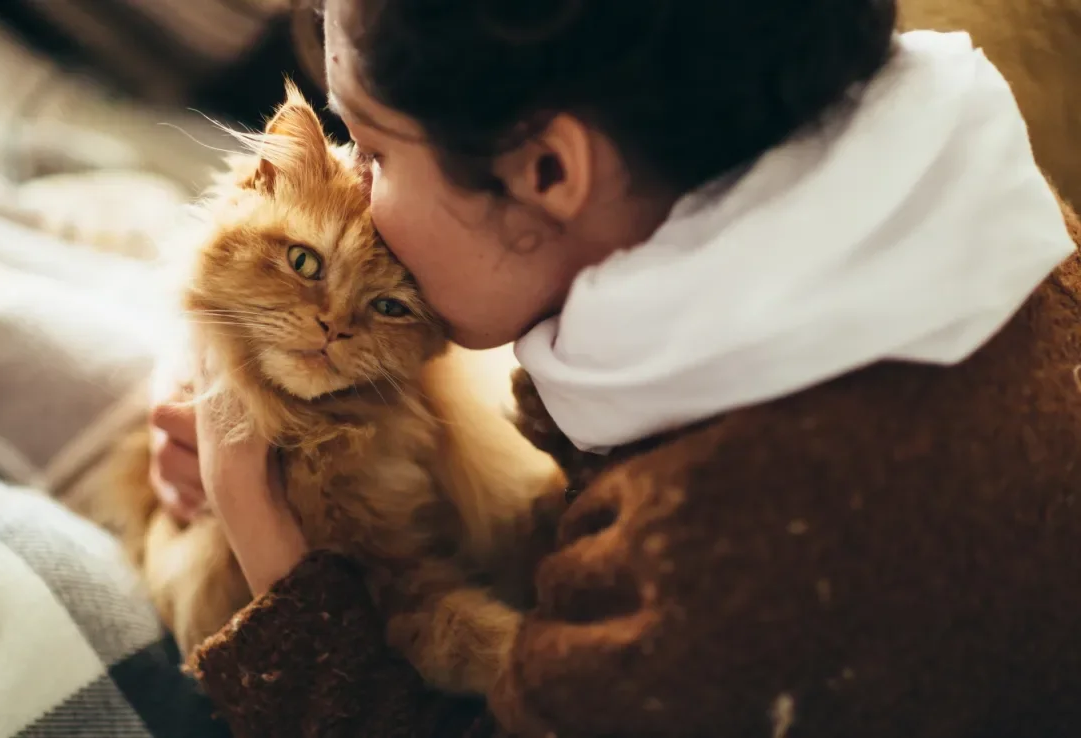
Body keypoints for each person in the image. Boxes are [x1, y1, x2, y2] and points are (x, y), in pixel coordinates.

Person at [149, 0, 1081, 736]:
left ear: (550, 172)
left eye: (378, 154)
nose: (355, 187)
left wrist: (259, 519)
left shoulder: (707, 564)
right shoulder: (964, 200)